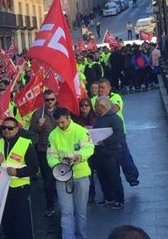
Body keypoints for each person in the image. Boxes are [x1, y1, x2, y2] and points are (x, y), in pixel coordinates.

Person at [47, 108, 95, 239]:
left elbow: (89, 148)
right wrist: (58, 165)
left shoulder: (81, 131)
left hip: (81, 174)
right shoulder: (53, 135)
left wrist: (79, 156)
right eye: (58, 123)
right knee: (66, 212)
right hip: (62, 176)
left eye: (62, 122)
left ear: (69, 118)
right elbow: (51, 156)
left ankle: (82, 236)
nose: (60, 126)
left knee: (81, 212)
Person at [0, 117, 38, 239]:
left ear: (17, 129)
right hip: (3, 189)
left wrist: (17, 172)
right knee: (7, 222)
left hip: (20, 187)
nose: (6, 130)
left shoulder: (25, 143)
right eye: (4, 128)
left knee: (23, 222)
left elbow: (34, 168)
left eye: (10, 128)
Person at [94, 78, 139, 186]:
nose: (100, 90)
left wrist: (103, 105)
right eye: (99, 88)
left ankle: (132, 177)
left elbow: (115, 108)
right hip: (102, 132)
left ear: (109, 88)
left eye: (103, 88)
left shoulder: (115, 97)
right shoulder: (94, 100)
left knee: (124, 155)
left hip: (117, 131)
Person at [29, 89, 58, 217]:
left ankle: (60, 202)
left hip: (59, 150)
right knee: (47, 180)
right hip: (44, 150)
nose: (50, 102)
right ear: (43, 100)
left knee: (60, 177)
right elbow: (31, 132)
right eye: (47, 100)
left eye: (52, 99)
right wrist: (38, 126)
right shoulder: (37, 114)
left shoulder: (60, 112)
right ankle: (50, 205)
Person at [93, 97, 125, 208]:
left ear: (102, 106)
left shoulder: (115, 119)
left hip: (112, 152)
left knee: (114, 176)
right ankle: (108, 196)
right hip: (99, 152)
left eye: (96, 106)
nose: (94, 108)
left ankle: (119, 198)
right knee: (102, 175)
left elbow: (119, 134)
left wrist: (105, 142)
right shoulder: (97, 118)